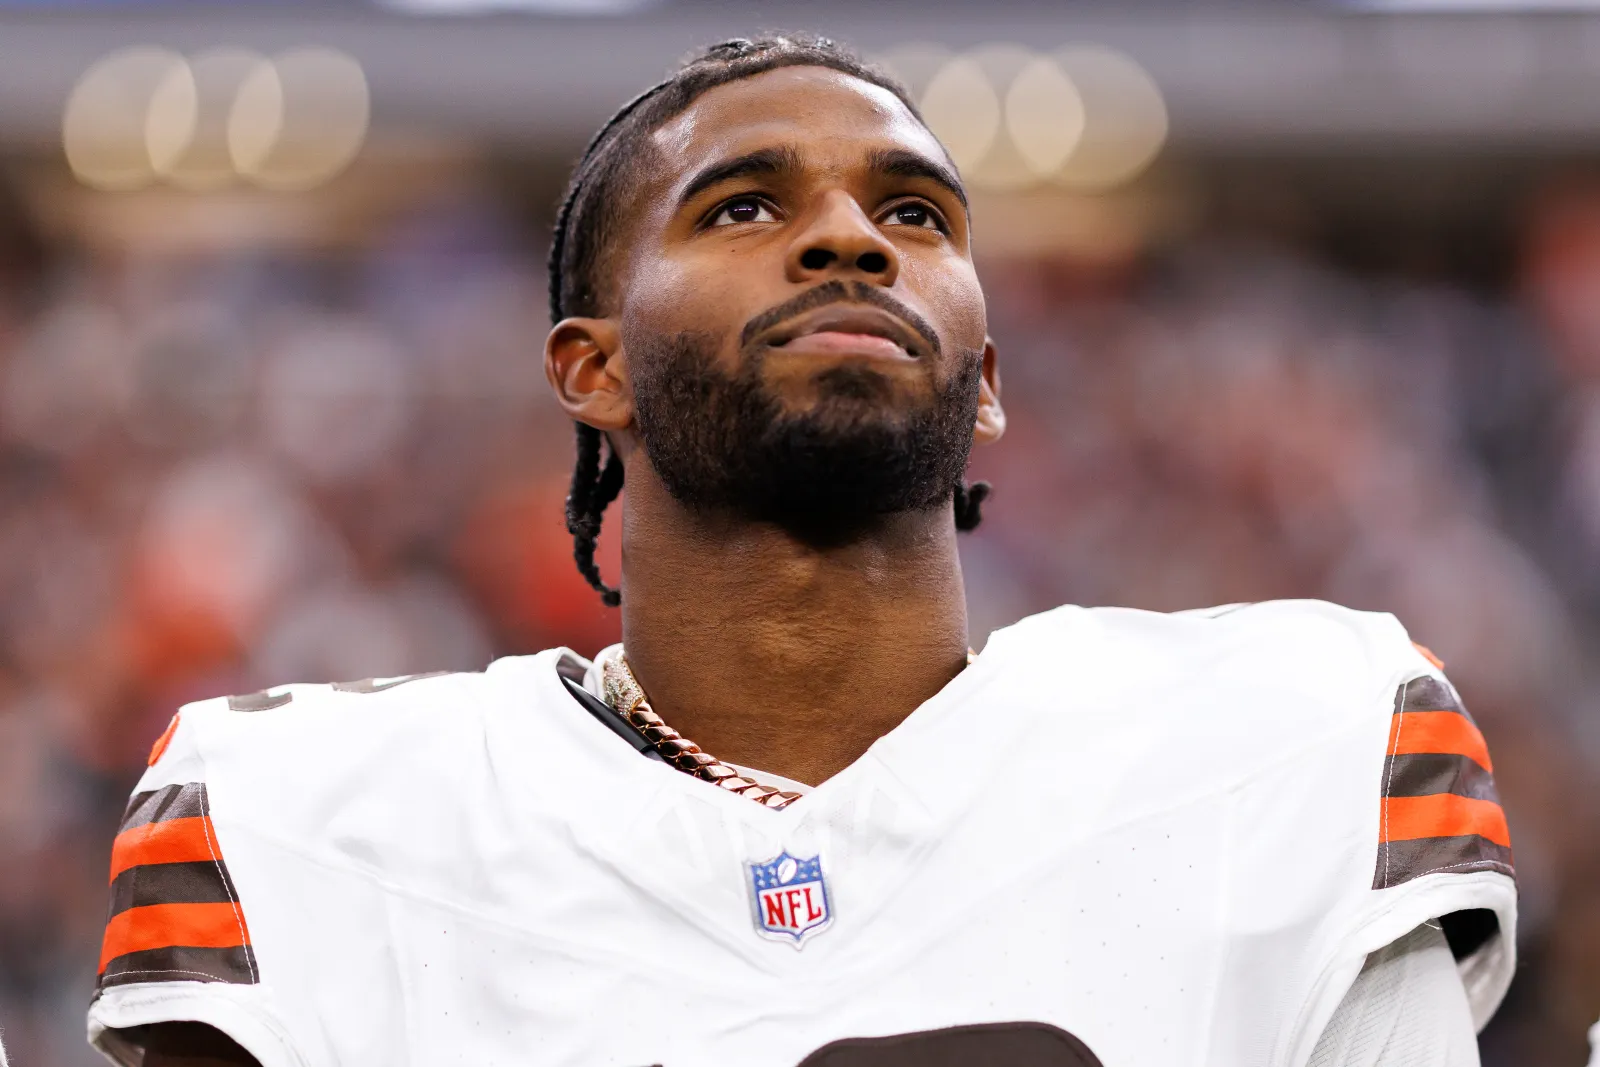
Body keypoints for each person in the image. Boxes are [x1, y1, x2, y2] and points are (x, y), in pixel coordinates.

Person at [86, 35, 1516, 1067]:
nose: (850, 239)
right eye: (745, 205)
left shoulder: (1291, 740)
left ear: (991, 373)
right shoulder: (315, 817)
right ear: (592, 370)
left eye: (913, 211)